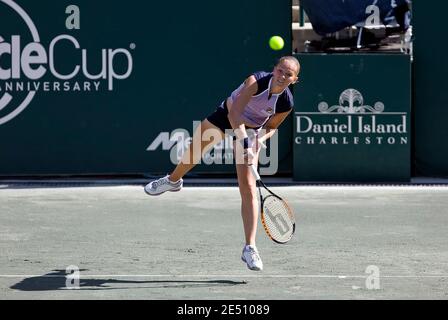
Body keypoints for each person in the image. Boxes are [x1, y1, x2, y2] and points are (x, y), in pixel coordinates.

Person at [144, 56, 300, 271]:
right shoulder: (256, 81)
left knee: (248, 189)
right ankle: (172, 181)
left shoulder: (286, 102)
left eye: (288, 74)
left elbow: (272, 127)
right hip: (227, 116)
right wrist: (243, 140)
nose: (283, 76)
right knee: (192, 155)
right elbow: (235, 112)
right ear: (274, 70)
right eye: (281, 70)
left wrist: (257, 141)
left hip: (252, 130)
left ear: (295, 79)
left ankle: (250, 248)